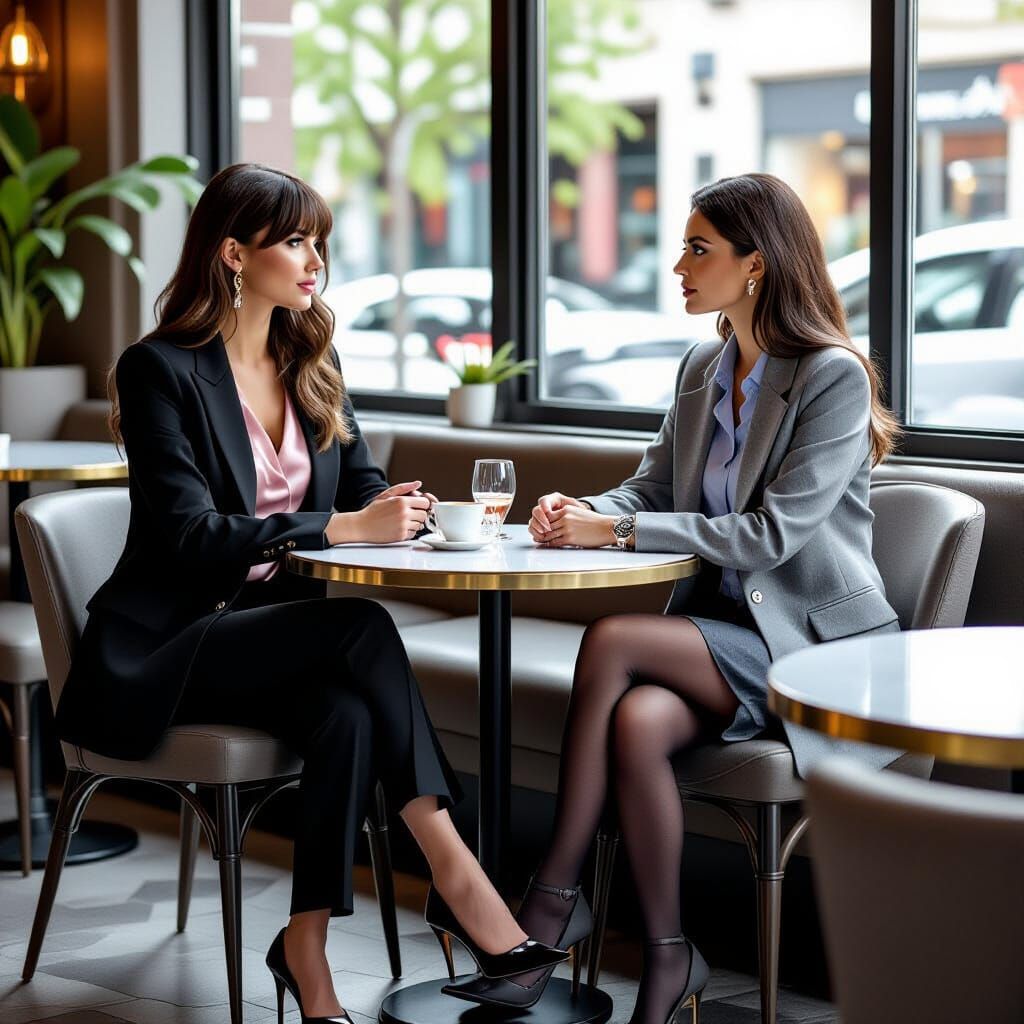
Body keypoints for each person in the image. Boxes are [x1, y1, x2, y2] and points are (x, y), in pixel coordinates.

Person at [58, 163, 567, 1024]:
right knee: (362, 627)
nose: (314, 261)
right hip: (166, 647)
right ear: (232, 253)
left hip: (266, 636)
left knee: (351, 713)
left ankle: (307, 953)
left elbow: (362, 491)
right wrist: (336, 528)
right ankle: (462, 882)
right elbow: (186, 536)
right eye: (295, 241)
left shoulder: (311, 359)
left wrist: (402, 515)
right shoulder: (160, 371)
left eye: (319, 242)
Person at [448, 173, 902, 1024]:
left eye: (699, 249)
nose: (678, 267)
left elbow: (770, 536)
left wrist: (615, 538)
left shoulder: (830, 376)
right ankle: (669, 956)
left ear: (756, 264)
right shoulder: (705, 364)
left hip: (813, 652)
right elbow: (652, 489)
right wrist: (587, 513)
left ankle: (550, 901)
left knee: (615, 641)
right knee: (636, 722)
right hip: (726, 637)